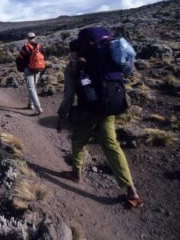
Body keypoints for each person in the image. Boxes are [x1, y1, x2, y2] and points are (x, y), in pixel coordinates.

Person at [57, 39, 143, 208]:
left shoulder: (74, 67)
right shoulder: (105, 61)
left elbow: (69, 94)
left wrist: (62, 115)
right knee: (112, 145)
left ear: (75, 52)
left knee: (78, 140)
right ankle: (131, 189)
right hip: (107, 108)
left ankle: (76, 174)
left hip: (88, 110)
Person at [18, 32, 46, 115]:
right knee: (33, 87)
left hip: (28, 70)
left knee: (31, 88)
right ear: (35, 37)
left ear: (27, 38)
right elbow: (45, 57)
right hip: (38, 69)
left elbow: (20, 60)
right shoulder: (40, 46)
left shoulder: (25, 48)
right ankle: (30, 104)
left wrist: (21, 69)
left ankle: (38, 108)